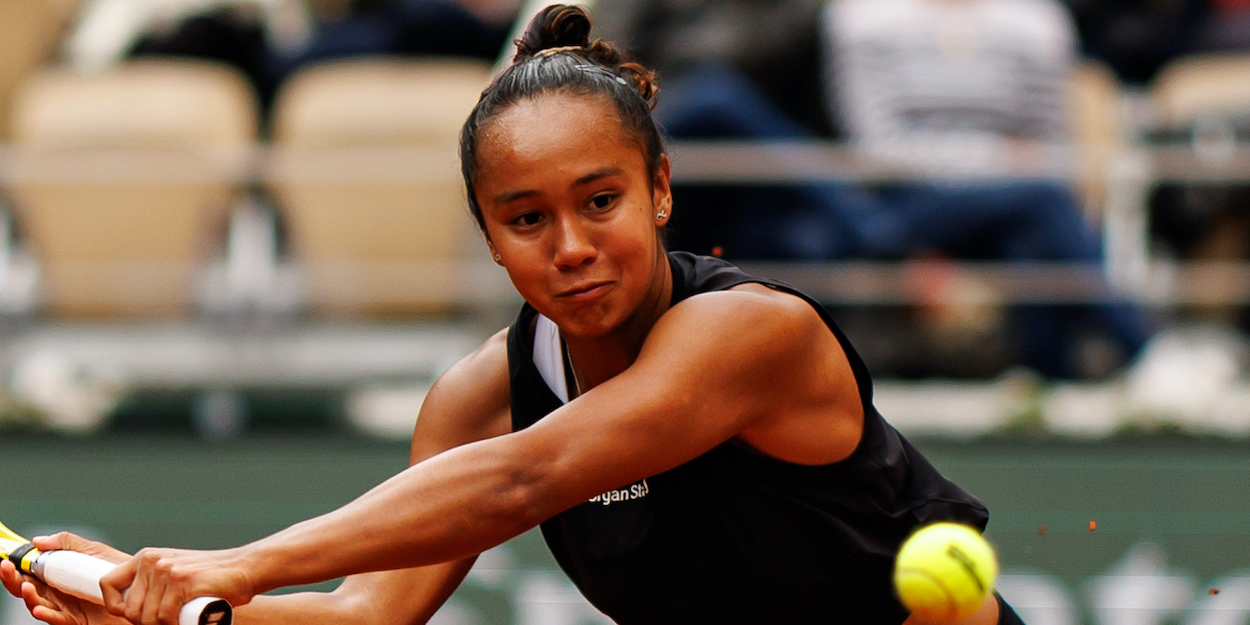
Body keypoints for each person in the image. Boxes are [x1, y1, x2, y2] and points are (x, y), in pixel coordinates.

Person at [2, 6, 1022, 624]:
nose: (569, 244)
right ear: (487, 236)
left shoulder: (751, 334)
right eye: (525, 218)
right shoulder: (480, 396)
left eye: (600, 201)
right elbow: (372, 612)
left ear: (660, 190)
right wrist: (169, 598)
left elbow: (531, 473)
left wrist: (240, 559)